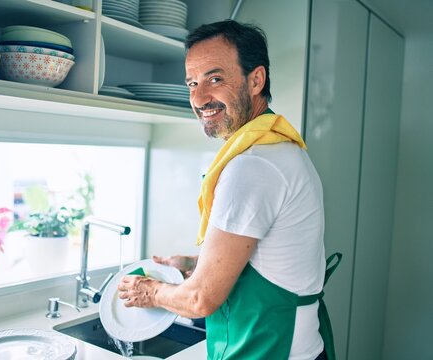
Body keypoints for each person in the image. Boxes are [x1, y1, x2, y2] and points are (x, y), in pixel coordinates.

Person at [117, 20, 339, 360]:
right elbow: (264, 258)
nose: (199, 97)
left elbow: (200, 300)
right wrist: (193, 264)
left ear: (256, 80)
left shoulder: (253, 166)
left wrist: (150, 291)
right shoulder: (279, 148)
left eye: (215, 79)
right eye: (192, 82)